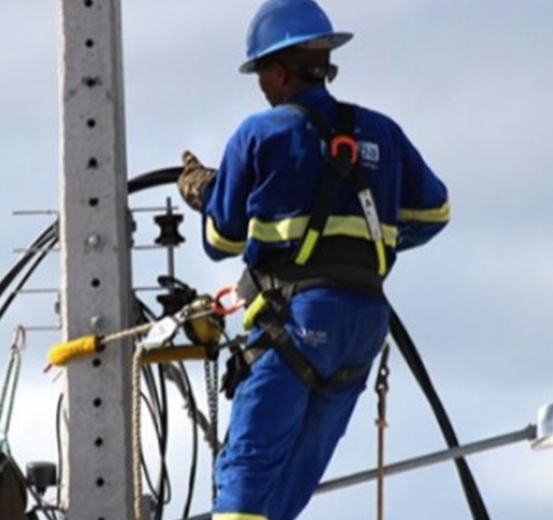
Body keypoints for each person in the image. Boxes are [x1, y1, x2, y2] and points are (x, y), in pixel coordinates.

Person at [177, 1, 450, 519]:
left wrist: (205, 191)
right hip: (361, 329)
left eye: (261, 72)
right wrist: (362, 249)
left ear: (279, 71)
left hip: (295, 324)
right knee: (284, 496)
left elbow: (221, 239)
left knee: (247, 481)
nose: (260, 84)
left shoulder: (260, 135)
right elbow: (435, 212)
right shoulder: (382, 134)